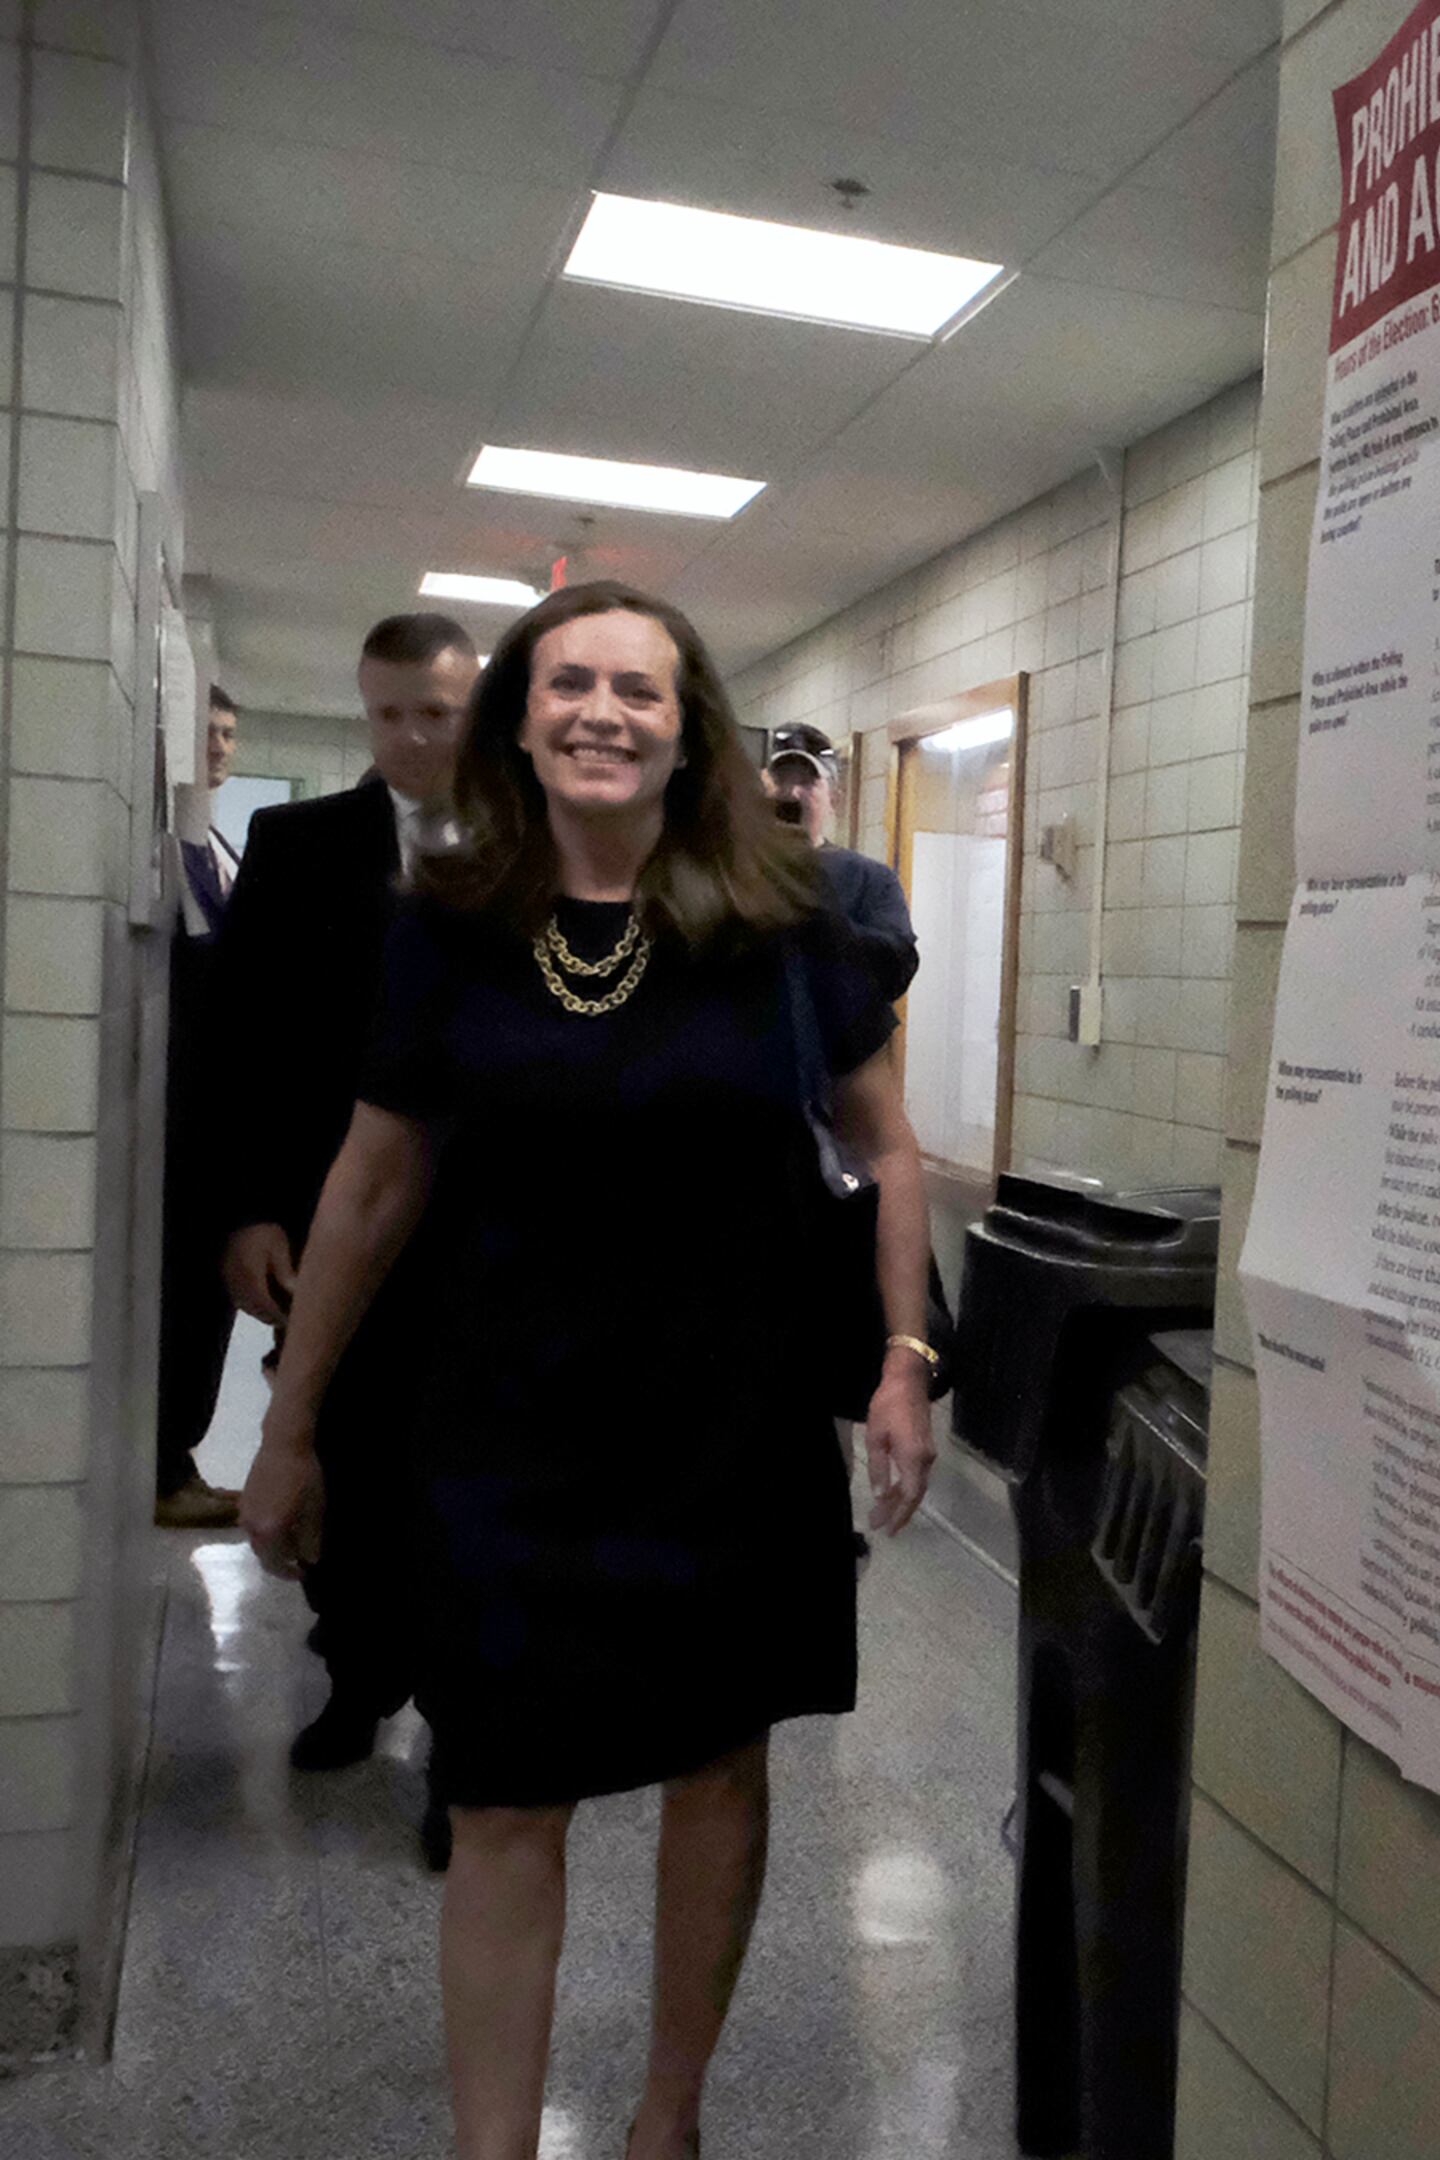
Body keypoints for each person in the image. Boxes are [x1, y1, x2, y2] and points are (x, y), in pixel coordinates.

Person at [237, 581, 938, 2160]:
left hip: (731, 1423)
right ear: (522, 720)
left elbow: (885, 1153)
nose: (602, 712)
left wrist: (902, 1359)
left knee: (717, 1766)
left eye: (638, 687)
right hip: (504, 1425)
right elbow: (369, 1186)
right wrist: (289, 1426)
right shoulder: (455, 927)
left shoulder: (796, 924)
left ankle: (664, 2123)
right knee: (498, 1791)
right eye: (570, 686)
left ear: (687, 723)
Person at [214, 615, 477, 1776]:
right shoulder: (299, 843)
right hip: (337, 1213)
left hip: (491, 1230)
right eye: (388, 715)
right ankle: (358, 1677)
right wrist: (248, 1208)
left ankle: (469, 1731)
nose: (411, 738)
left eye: (436, 713)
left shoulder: (546, 846)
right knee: (348, 1458)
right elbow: (247, 1041)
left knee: (471, 1477)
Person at [154, 690, 248, 1529]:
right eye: (204, 732)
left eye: (226, 734)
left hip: (219, 1112)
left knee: (210, 1304)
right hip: (183, 1114)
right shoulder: (173, 850)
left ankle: (180, 1455)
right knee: (186, 1297)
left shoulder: (215, 846)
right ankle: (166, 1462)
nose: (216, 747)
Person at [763, 728, 917, 999]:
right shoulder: (732, 871)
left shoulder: (868, 879)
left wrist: (826, 927)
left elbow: (897, 969)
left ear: (833, 797)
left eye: (808, 782)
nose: (793, 793)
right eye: (782, 780)